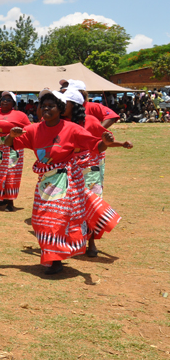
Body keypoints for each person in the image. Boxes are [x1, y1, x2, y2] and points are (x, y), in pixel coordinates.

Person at [4, 89, 119, 275]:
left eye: (51, 106)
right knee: (40, 221)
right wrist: (12, 135)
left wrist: (105, 142)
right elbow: (10, 143)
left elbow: (96, 145)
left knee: (55, 219)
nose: (46, 109)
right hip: (45, 183)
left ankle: (55, 260)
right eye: (44, 106)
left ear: (60, 109)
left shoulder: (71, 128)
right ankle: (54, 254)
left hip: (67, 181)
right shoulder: (34, 129)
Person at [60, 88, 132, 257]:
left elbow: (104, 140)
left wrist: (121, 144)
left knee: (90, 204)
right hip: (67, 169)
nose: (61, 106)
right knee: (68, 206)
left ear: (75, 105)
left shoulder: (90, 121)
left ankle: (91, 241)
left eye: (65, 103)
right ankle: (71, 240)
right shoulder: (58, 123)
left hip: (89, 169)